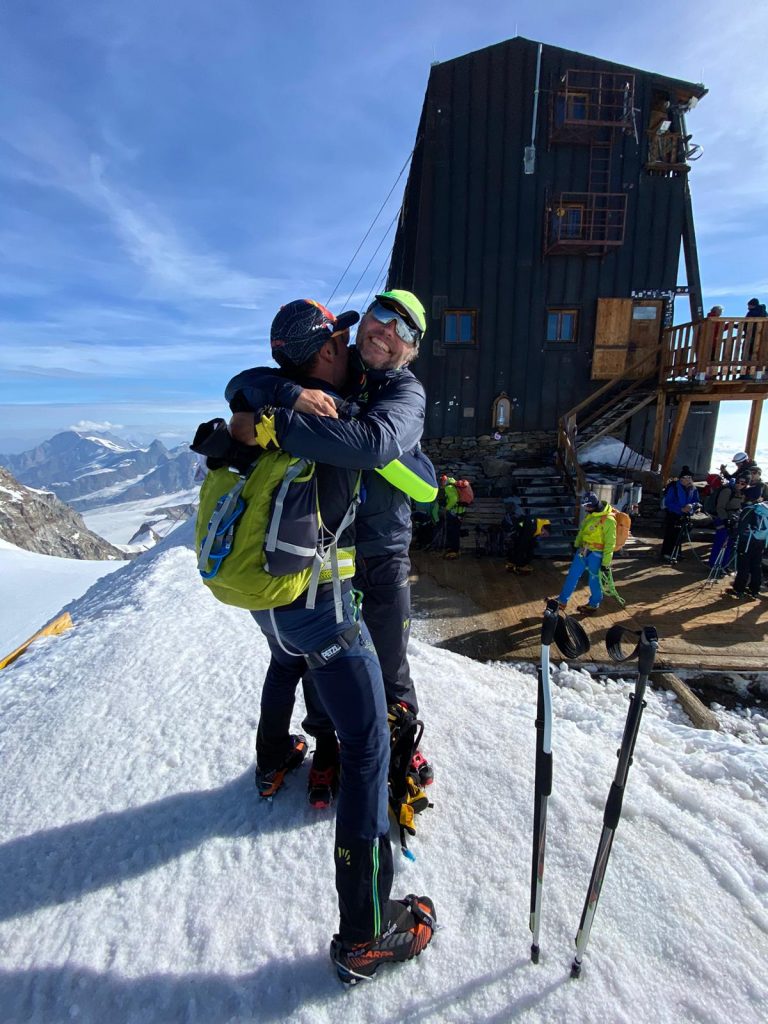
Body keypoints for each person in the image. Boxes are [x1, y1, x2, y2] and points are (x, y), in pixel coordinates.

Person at [226, 298, 436, 982]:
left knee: (387, 676)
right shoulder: (336, 380)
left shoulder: (400, 390)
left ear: (412, 345)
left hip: (374, 556)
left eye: (401, 327)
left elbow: (385, 452)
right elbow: (245, 386)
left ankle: (393, 763)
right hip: (326, 575)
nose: (381, 330)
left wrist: (276, 425)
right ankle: (364, 931)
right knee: (346, 704)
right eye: (377, 317)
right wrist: (287, 397)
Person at [555, 492, 616, 615]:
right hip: (583, 550)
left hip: (597, 554)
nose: (585, 509)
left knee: (594, 580)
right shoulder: (591, 515)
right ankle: (561, 601)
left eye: (586, 506)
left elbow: (610, 544)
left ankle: (593, 604)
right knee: (572, 575)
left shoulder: (609, 521)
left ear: (592, 505)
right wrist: (577, 544)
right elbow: (582, 532)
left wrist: (606, 563)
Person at [728, 497, 767, 600]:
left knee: (743, 566)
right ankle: (754, 590)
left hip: (747, 541)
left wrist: (733, 534)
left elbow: (741, 527)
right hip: (761, 541)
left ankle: (739, 589)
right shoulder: (766, 510)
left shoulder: (751, 508)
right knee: (756, 565)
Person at [660, 466, 701, 563]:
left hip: (685, 514)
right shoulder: (674, 487)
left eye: (690, 478)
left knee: (680, 534)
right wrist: (681, 508)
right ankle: (666, 554)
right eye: (688, 478)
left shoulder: (693, 488)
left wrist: (692, 506)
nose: (690, 480)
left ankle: (676, 553)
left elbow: (697, 501)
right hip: (673, 514)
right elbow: (668, 503)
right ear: (682, 478)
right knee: (671, 534)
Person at [708, 476, 746, 570]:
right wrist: (725, 520)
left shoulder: (741, 493)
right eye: (738, 481)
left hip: (734, 521)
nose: (739, 484)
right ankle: (714, 564)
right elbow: (720, 507)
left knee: (730, 544)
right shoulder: (727, 490)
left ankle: (724, 565)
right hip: (722, 520)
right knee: (720, 542)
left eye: (743, 483)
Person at [439, 474, 465, 559]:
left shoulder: (448, 487)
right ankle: (453, 549)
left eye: (441, 482)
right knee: (455, 532)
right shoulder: (453, 485)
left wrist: (446, 508)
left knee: (454, 532)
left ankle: (454, 551)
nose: (441, 484)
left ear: (444, 481)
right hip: (460, 512)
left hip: (454, 513)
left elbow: (454, 499)